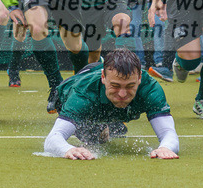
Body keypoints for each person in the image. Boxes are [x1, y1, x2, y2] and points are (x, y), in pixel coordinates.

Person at [44, 49, 179, 160]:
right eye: (115, 86)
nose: (122, 94)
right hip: (70, 90)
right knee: (93, 139)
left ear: (139, 78)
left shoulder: (150, 88)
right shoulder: (83, 93)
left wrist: (165, 147)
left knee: (106, 130)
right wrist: (68, 149)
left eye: (130, 86)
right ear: (103, 77)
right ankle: (106, 122)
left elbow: (168, 132)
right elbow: (53, 139)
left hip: (101, 92)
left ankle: (112, 119)